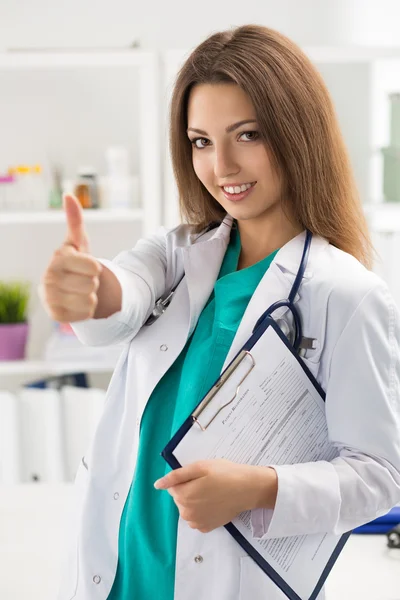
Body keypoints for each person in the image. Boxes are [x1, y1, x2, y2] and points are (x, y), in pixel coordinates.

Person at [40, 24, 400, 600]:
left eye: (248, 134)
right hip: (121, 576)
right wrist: (90, 290)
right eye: (201, 141)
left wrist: (260, 488)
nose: (222, 165)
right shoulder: (178, 254)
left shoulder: (346, 295)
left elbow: (379, 477)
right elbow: (123, 294)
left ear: (297, 132)